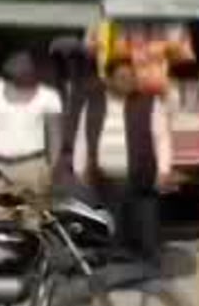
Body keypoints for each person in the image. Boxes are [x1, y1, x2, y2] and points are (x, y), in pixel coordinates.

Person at [71, 58, 175, 265]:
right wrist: (79, 168)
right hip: (106, 181)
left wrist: (164, 170)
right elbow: (82, 138)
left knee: (145, 231)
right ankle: (120, 268)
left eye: (131, 76)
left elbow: (162, 138)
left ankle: (150, 268)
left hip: (141, 179)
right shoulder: (93, 105)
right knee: (114, 232)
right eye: (122, 77)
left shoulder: (149, 103)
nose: (129, 81)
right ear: (108, 80)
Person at [0, 52, 65, 200]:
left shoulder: (49, 96)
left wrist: (52, 167)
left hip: (32, 166)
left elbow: (55, 135)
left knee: (34, 210)